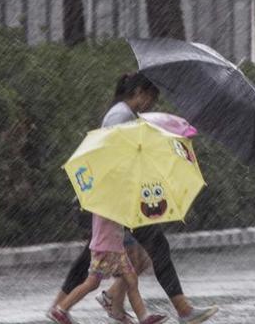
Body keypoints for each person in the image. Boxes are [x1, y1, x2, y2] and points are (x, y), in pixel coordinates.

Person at [49, 72, 218, 324]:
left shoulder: (123, 114)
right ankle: (180, 310)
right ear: (139, 92)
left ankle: (86, 304)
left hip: (116, 199)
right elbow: (116, 156)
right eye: (150, 97)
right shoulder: (121, 116)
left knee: (112, 259)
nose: (151, 104)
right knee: (147, 250)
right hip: (113, 200)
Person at [48, 211, 168, 324]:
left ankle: (144, 318)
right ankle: (60, 309)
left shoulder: (114, 200)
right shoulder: (105, 202)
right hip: (104, 250)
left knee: (132, 281)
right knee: (92, 283)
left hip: (117, 249)